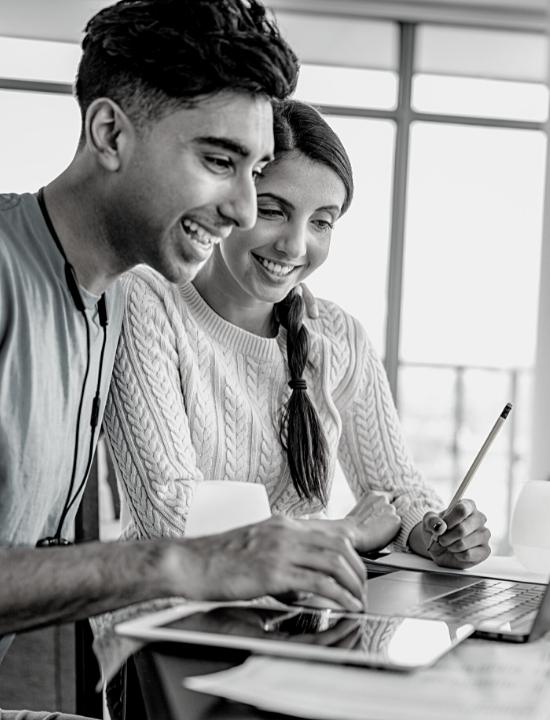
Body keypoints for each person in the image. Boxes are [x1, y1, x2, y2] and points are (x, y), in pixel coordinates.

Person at [0, 3, 369, 718]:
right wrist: (190, 559)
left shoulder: (107, 302)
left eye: (255, 169)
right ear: (110, 133)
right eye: (219, 161)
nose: (240, 207)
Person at [105, 99, 491, 568]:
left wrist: (434, 531)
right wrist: (342, 532)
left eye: (321, 222)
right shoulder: (149, 302)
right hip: (169, 620)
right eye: (273, 211)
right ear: (230, 198)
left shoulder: (336, 334)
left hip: (297, 613)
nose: (295, 244)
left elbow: (393, 490)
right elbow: (173, 515)